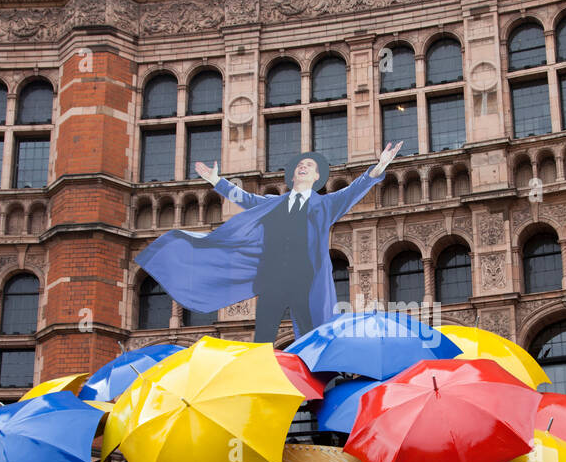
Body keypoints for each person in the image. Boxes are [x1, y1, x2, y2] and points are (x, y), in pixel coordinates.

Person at [135, 142, 403, 343]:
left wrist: (379, 167)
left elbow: (354, 191)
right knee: (263, 338)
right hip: (273, 276)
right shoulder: (274, 204)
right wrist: (217, 181)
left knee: (311, 337)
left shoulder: (326, 204)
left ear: (315, 176)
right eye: (300, 165)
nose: (302, 166)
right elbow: (246, 199)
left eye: (308, 165)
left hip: (305, 279)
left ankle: (316, 385)